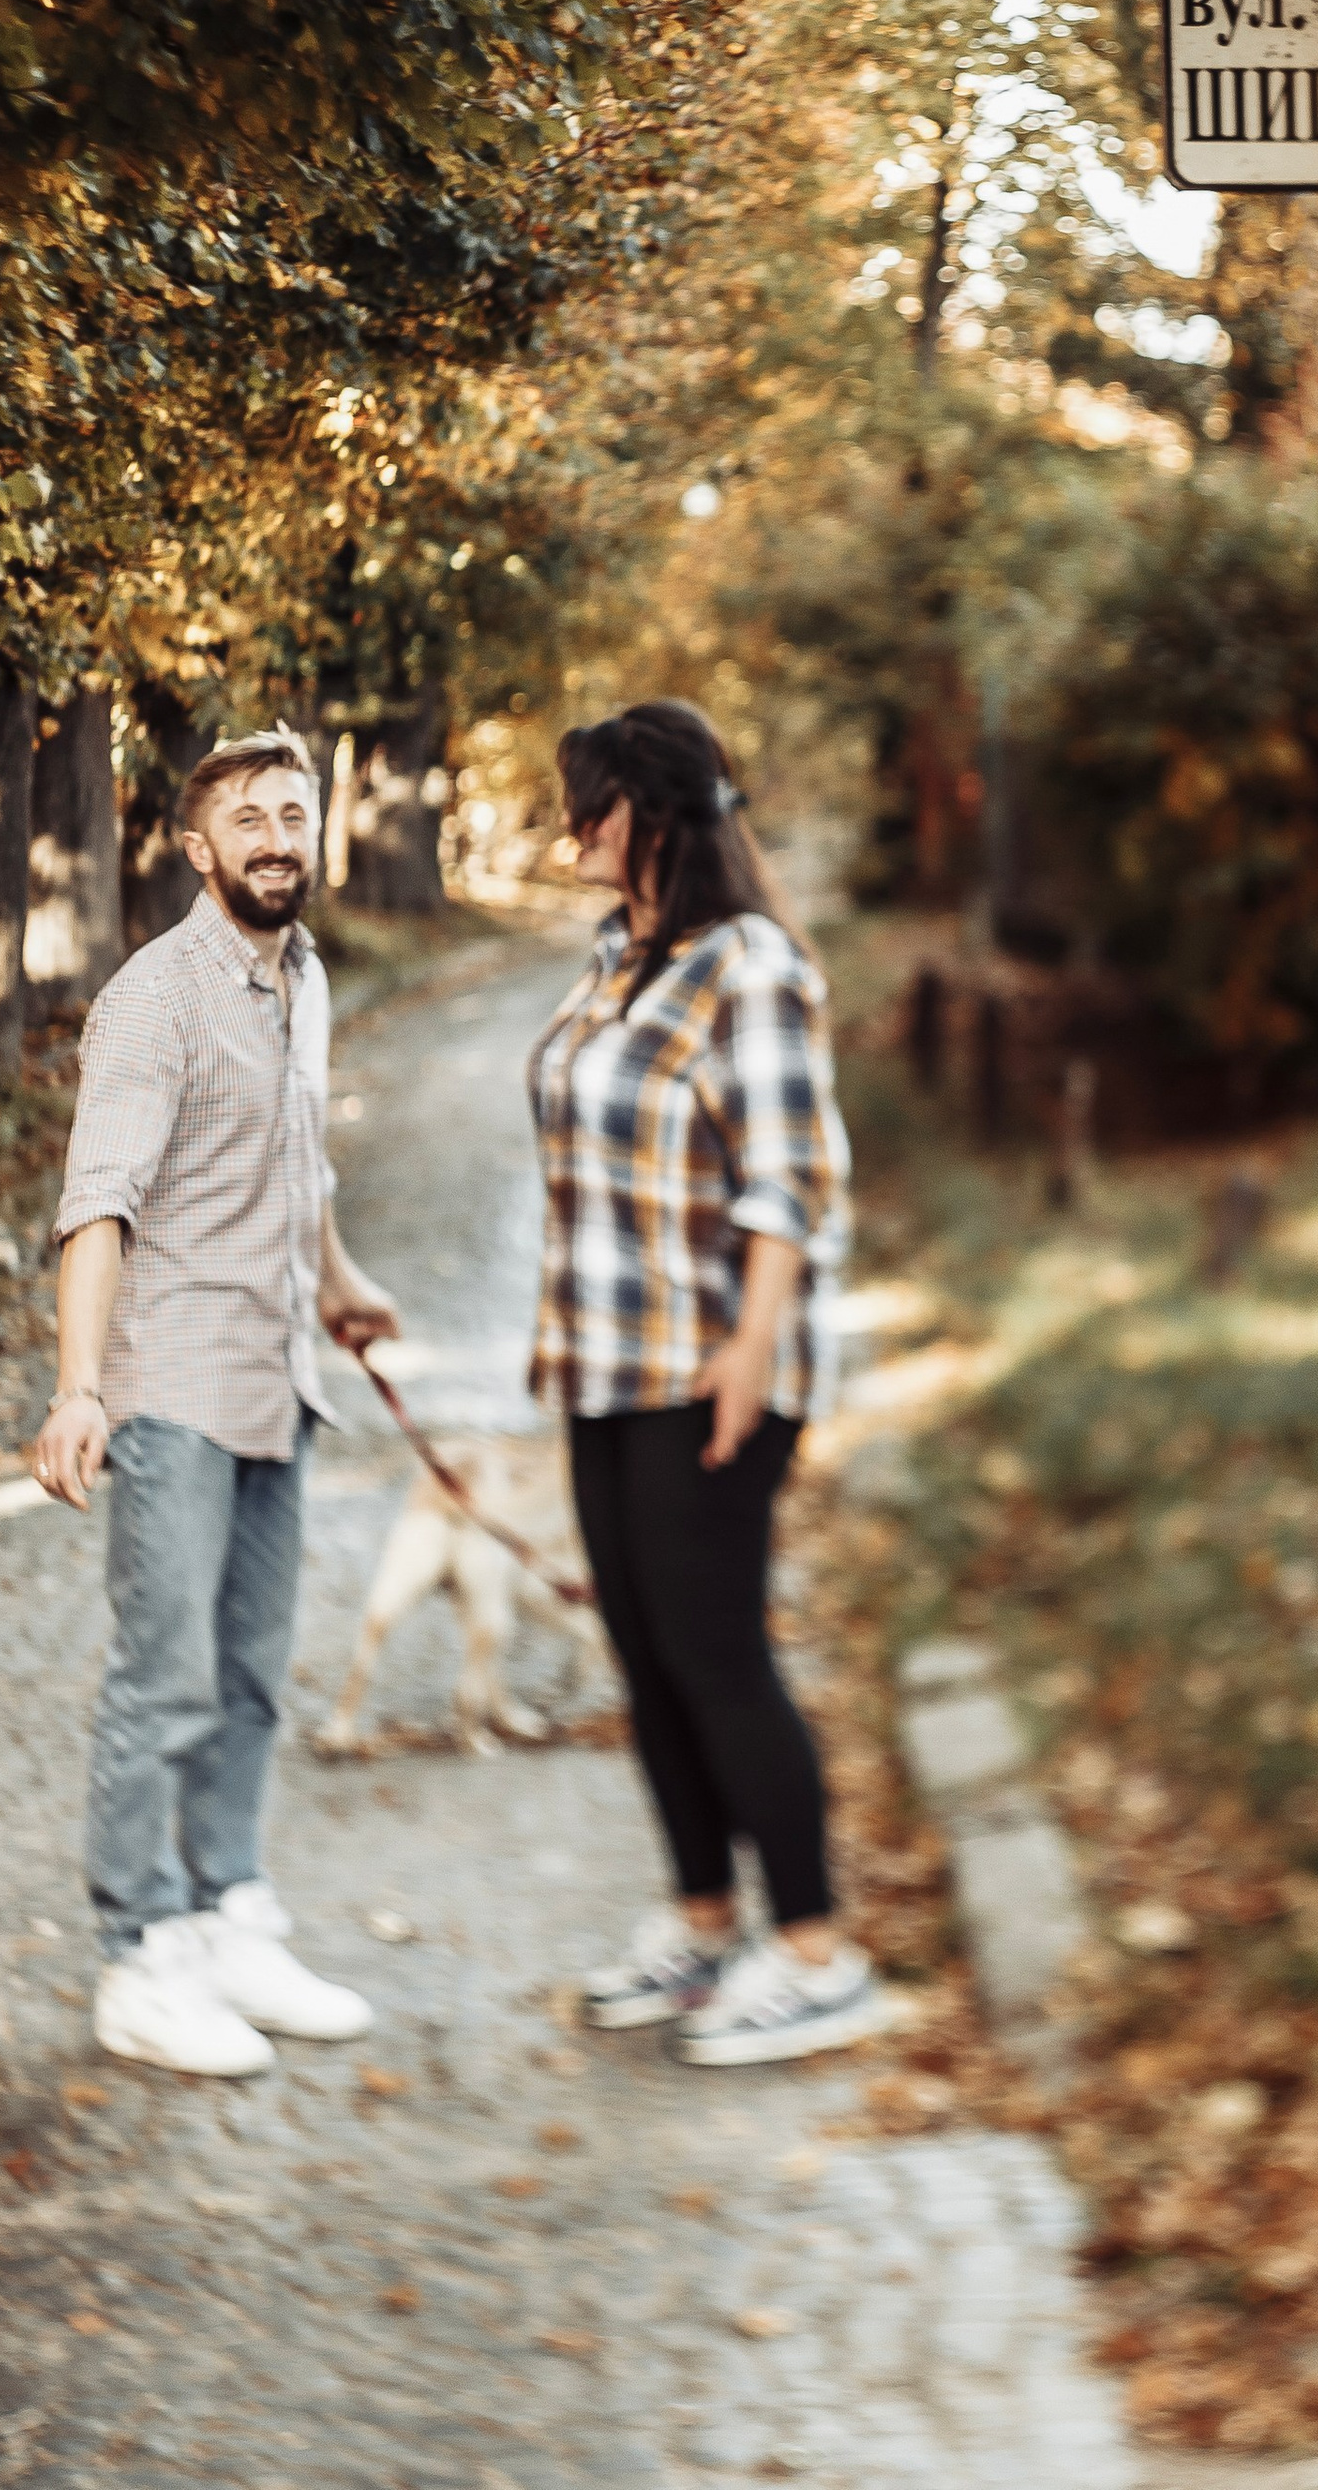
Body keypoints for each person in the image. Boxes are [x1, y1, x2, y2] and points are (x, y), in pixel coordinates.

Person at [34, 730, 403, 2078]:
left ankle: (227, 1910)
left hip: (279, 1375)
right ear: (198, 849)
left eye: (294, 814)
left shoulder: (304, 980)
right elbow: (100, 1204)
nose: (274, 837)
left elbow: (296, 1174)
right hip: (175, 1383)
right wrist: (81, 1388)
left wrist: (343, 1285)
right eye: (246, 818)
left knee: (250, 1673)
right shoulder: (155, 1001)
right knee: (166, 1674)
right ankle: (140, 1955)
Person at [526, 697, 882, 2065]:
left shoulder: (751, 967)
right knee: (646, 1657)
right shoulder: (616, 959)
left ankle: (815, 1951)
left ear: (655, 814)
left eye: (589, 813)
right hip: (603, 1365)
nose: (571, 843)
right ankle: (700, 1926)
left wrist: (750, 1359)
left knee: (719, 1654)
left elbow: (794, 1182)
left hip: (711, 1368)